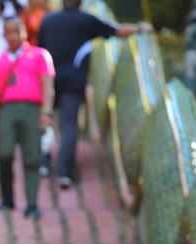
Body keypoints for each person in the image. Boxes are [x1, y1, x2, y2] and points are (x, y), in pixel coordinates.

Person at [38, 0, 151, 189]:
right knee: (69, 124)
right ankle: (64, 172)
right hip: (73, 81)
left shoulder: (48, 21)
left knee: (45, 119)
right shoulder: (86, 20)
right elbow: (116, 31)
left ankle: (42, 163)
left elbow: (40, 50)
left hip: (49, 79)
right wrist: (140, 28)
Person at [0, 17, 54, 219]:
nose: (13, 36)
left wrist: (46, 111)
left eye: (17, 31)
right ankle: (7, 199)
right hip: (7, 109)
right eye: (9, 32)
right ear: (4, 34)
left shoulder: (39, 55)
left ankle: (32, 204)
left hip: (32, 109)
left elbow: (47, 85)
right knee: (4, 153)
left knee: (32, 157)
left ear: (24, 31)